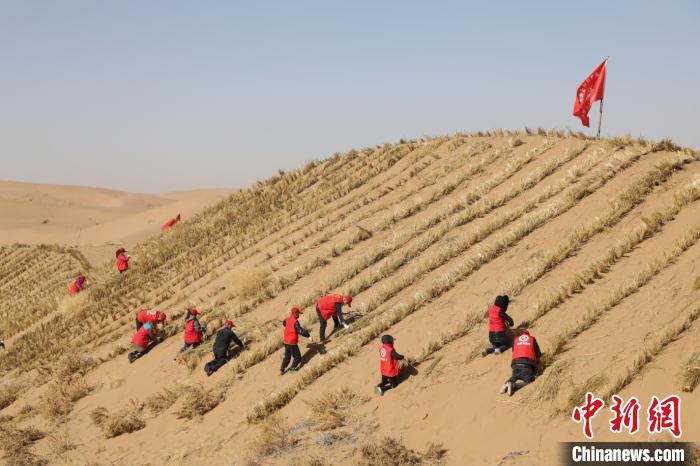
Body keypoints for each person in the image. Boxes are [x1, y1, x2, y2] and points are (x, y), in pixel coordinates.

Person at [500, 328, 541, 396]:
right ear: (527, 334)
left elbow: (514, 351)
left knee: (515, 376)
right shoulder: (532, 339)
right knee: (529, 381)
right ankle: (513, 386)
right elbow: (538, 353)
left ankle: (505, 384)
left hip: (515, 364)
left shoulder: (515, 339)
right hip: (527, 365)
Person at [280, 306, 312, 375]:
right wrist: (308, 336)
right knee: (297, 357)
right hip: (292, 342)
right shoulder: (295, 321)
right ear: (295, 314)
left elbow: (284, 323)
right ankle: (292, 369)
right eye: (298, 314)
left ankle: (282, 369)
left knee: (287, 356)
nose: (299, 315)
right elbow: (300, 331)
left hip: (286, 341)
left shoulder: (287, 319)